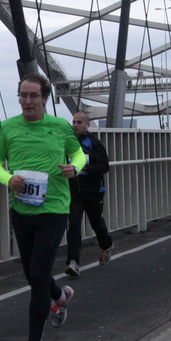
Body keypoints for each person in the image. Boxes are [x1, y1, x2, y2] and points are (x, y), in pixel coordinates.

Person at [0, 74, 86, 341]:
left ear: (45, 98)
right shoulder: (8, 127)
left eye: (33, 95)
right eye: (23, 95)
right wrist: (8, 179)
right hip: (22, 209)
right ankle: (60, 296)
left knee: (40, 273)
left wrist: (74, 168)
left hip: (54, 208)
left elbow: (79, 154)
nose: (27, 101)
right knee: (33, 275)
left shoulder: (60, 126)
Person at [64, 110, 113, 277]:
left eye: (79, 122)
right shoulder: (68, 143)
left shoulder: (94, 143)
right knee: (74, 226)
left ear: (87, 124)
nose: (75, 125)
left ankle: (106, 245)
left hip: (93, 191)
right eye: (74, 122)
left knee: (96, 223)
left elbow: (104, 166)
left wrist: (84, 167)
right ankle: (73, 262)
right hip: (74, 192)